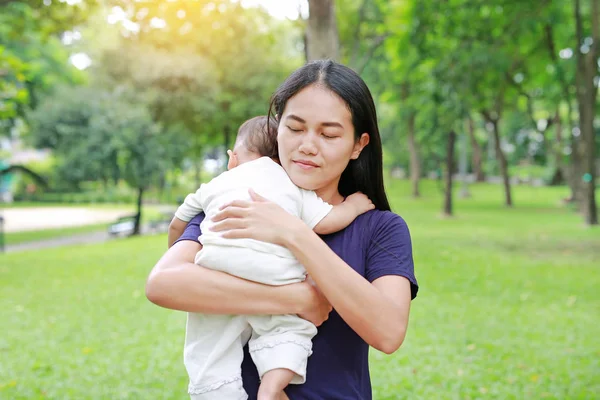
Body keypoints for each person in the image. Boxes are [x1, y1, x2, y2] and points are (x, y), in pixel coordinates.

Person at [146, 60, 419, 400]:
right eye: (295, 128)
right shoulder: (242, 202)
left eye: (329, 134)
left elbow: (388, 332)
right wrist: (297, 298)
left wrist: (295, 233)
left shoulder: (379, 228)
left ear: (358, 145)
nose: (307, 145)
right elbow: (163, 284)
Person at [168, 115, 375, 400]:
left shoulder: (218, 184)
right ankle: (273, 385)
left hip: (219, 271)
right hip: (275, 275)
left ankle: (218, 393)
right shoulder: (291, 187)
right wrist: (354, 205)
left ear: (233, 158)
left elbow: (178, 222)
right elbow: (327, 220)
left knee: (211, 349)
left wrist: (180, 250)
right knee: (286, 329)